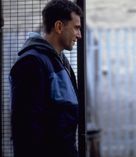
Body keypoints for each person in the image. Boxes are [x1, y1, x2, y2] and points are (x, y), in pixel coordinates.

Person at [9, 0, 83, 157]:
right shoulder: (31, 62)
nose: (79, 35)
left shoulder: (61, 62)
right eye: (76, 28)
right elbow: (25, 130)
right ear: (59, 27)